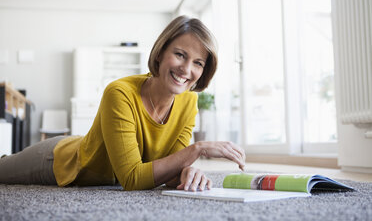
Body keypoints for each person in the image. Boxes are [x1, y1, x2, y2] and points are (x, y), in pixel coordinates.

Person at [0, 15, 246, 191]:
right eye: (180, 54)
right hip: (58, 160)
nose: (186, 69)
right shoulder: (120, 92)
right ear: (160, 53)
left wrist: (186, 172)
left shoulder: (188, 102)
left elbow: (169, 167)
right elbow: (132, 179)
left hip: (89, 150)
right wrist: (197, 150)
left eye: (198, 63)